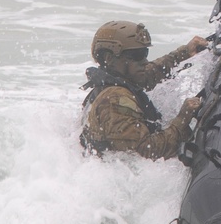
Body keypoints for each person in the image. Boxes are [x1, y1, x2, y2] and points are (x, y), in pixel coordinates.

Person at [80, 20, 208, 159]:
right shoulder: (115, 99)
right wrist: (182, 119)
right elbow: (146, 152)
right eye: (137, 55)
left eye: (145, 53)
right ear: (109, 58)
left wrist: (184, 53)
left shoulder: (117, 78)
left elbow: (151, 73)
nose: (144, 61)